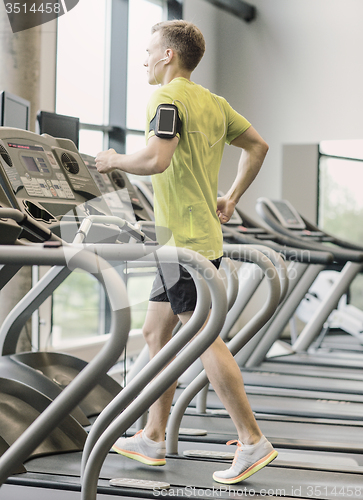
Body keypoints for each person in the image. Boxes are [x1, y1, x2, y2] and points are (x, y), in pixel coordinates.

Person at [95, 19, 277, 484]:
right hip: (186, 239)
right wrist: (231, 196)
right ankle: (153, 436)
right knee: (156, 332)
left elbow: (157, 158)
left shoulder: (167, 97)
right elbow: (258, 144)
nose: (143, 59)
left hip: (185, 243)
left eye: (149, 50)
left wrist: (113, 159)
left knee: (202, 339)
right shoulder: (214, 104)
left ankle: (252, 439)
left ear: (168, 55)